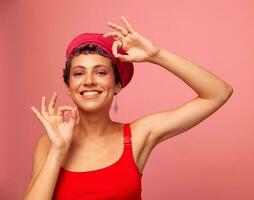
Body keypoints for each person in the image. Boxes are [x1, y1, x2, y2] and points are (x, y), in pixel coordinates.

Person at [23, 16, 233, 200]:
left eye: (101, 72)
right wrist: (58, 151)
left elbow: (218, 93)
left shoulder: (138, 135)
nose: (88, 81)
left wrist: (157, 55)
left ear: (117, 86)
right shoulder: (50, 143)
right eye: (78, 73)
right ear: (69, 87)